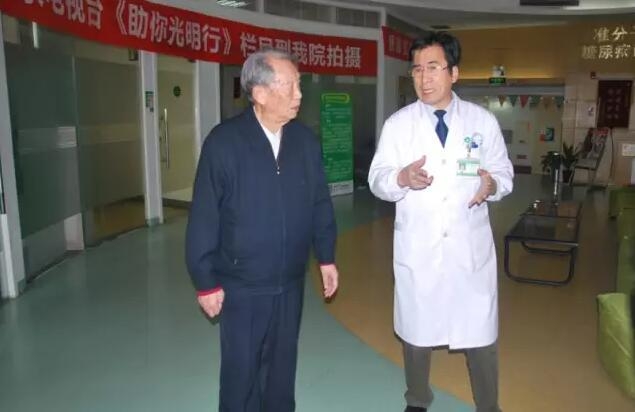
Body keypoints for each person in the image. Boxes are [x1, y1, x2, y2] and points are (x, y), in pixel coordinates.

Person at [185, 48, 339, 412]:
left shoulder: (304, 142)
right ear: (260, 93)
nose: (299, 94)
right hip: (242, 285)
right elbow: (205, 215)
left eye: (299, 84)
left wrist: (326, 257)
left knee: (282, 371)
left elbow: (319, 202)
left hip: (290, 281)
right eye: (289, 85)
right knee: (241, 373)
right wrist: (205, 281)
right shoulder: (224, 143)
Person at [368, 31, 513, 412]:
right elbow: (377, 179)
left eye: (433, 67)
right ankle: (418, 399)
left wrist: (491, 185)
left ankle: (488, 405)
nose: (424, 78)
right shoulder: (398, 125)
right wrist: (401, 177)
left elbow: (504, 173)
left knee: (480, 333)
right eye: (417, 69)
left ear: (454, 73)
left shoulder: (482, 122)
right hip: (420, 246)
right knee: (417, 333)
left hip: (469, 247)